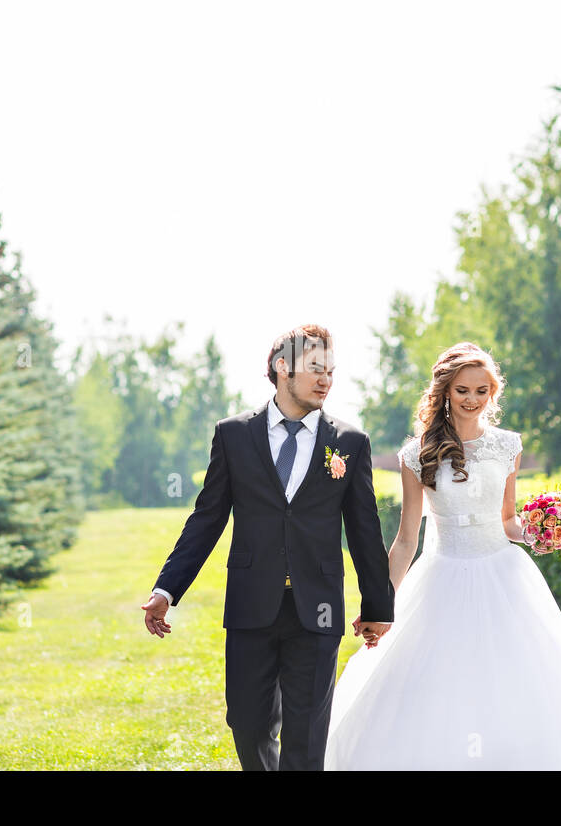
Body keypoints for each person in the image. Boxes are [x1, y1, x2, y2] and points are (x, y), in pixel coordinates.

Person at [324, 342, 561, 770]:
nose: (472, 400)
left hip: (503, 575)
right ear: (445, 392)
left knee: (515, 682)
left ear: (493, 394)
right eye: (462, 391)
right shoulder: (416, 455)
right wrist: (381, 601)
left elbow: (507, 520)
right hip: (440, 578)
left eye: (481, 391)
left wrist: (543, 532)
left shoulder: (508, 446)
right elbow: (407, 538)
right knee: (431, 682)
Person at [141, 324, 395, 770]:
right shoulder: (234, 435)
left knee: (306, 733)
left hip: (317, 609)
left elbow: (363, 530)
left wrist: (377, 604)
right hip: (250, 604)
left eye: (331, 371)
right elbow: (207, 518)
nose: (325, 380)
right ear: (282, 367)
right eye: (315, 368)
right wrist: (166, 590)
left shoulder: (350, 442)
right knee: (248, 723)